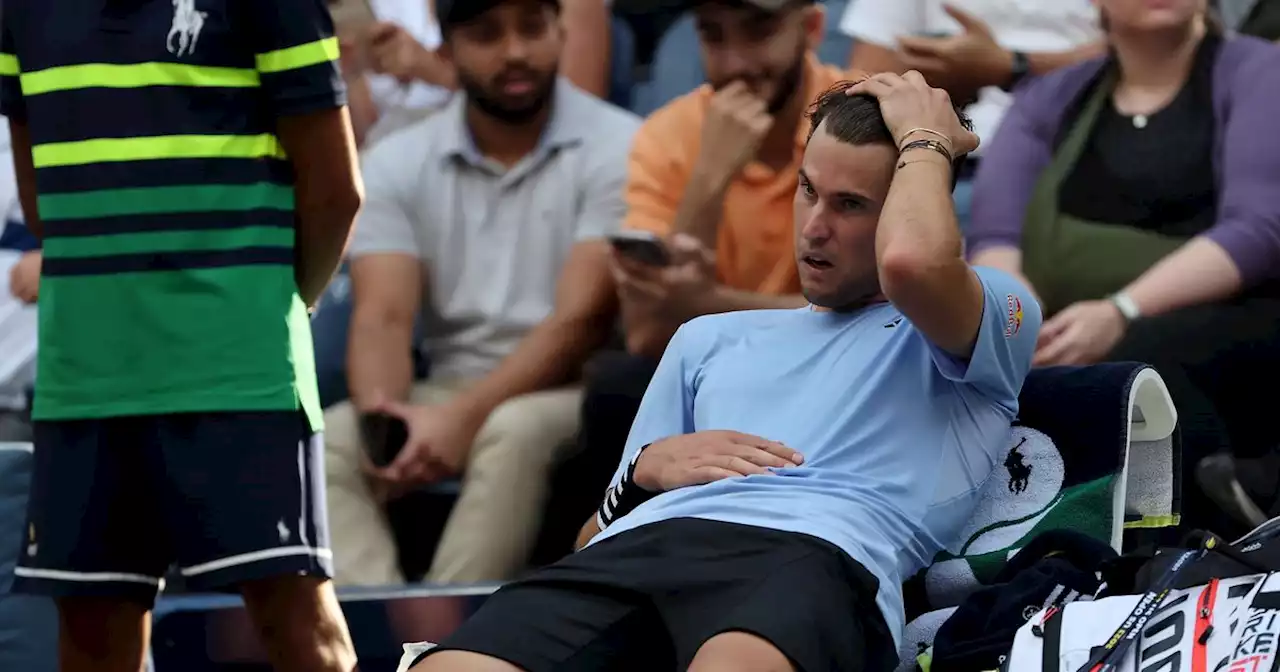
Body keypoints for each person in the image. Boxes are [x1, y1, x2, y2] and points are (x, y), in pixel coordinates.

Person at [407, 75, 1042, 672]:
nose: (815, 227)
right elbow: (591, 541)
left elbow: (912, 262)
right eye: (808, 189)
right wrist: (639, 475)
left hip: (814, 557)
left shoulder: (985, 311)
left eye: (851, 204)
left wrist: (928, 141)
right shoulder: (709, 335)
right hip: (643, 550)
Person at [0, 0, 363, 670]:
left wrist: (269, 309)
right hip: (86, 376)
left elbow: (336, 190)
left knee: (295, 622)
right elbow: (42, 195)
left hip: (242, 369)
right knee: (90, 632)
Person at [325, 0, 639, 587]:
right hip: (446, 384)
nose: (515, 51)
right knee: (333, 442)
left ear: (560, 32)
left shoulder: (620, 144)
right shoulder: (397, 158)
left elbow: (580, 321)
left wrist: (462, 419)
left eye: (531, 28)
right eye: (487, 34)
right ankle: (383, 628)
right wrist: (385, 422)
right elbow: (383, 318)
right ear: (446, 52)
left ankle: (447, 640)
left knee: (511, 430)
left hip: (570, 388)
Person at [540, 0, 866, 559]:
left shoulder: (860, 124)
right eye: (714, 37)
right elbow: (647, 334)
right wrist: (710, 176)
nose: (737, 62)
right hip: (709, 381)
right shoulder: (669, 136)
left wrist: (711, 303)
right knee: (617, 388)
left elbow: (883, 314)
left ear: (811, 28)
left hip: (840, 372)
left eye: (759, 30)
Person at [963, 0, 1280, 537]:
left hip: (1228, 331)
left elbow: (1259, 229)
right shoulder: (1051, 96)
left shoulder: (1258, 71)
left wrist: (1120, 310)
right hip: (1064, 331)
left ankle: (1179, 540)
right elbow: (995, 238)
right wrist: (1026, 328)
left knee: (1145, 366)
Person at [839, 0, 1103, 230]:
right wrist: (929, 79)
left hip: (1079, 145)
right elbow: (868, 80)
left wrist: (1014, 66)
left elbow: (1136, 47)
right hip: (940, 153)